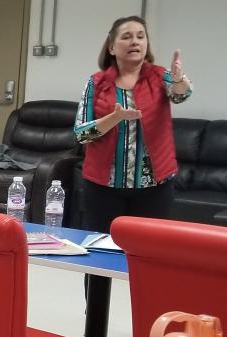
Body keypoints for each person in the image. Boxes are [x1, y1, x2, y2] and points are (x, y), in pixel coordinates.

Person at [74, 15, 192, 233]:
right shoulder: (96, 82)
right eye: (126, 37)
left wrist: (178, 80)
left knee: (147, 253)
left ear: (146, 45)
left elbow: (181, 95)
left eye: (140, 36)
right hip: (103, 187)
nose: (135, 42)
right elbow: (81, 134)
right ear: (111, 47)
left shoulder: (160, 76)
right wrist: (115, 118)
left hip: (154, 188)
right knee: (101, 255)